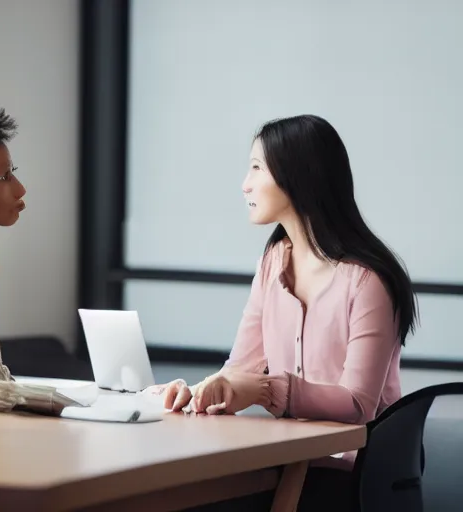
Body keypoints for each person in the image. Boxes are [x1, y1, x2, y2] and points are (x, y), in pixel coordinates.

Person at [153, 115, 418, 511]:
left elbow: (358, 405)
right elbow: (241, 367)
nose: (245, 183)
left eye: (257, 167)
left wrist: (266, 390)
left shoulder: (367, 281)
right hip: (289, 460)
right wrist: (201, 391)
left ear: (298, 176)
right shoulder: (274, 260)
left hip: (354, 474)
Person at [0, 89, 76, 414]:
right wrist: (45, 398)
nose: (19, 189)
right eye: (3, 177)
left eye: (13, 172)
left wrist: (78, 404)